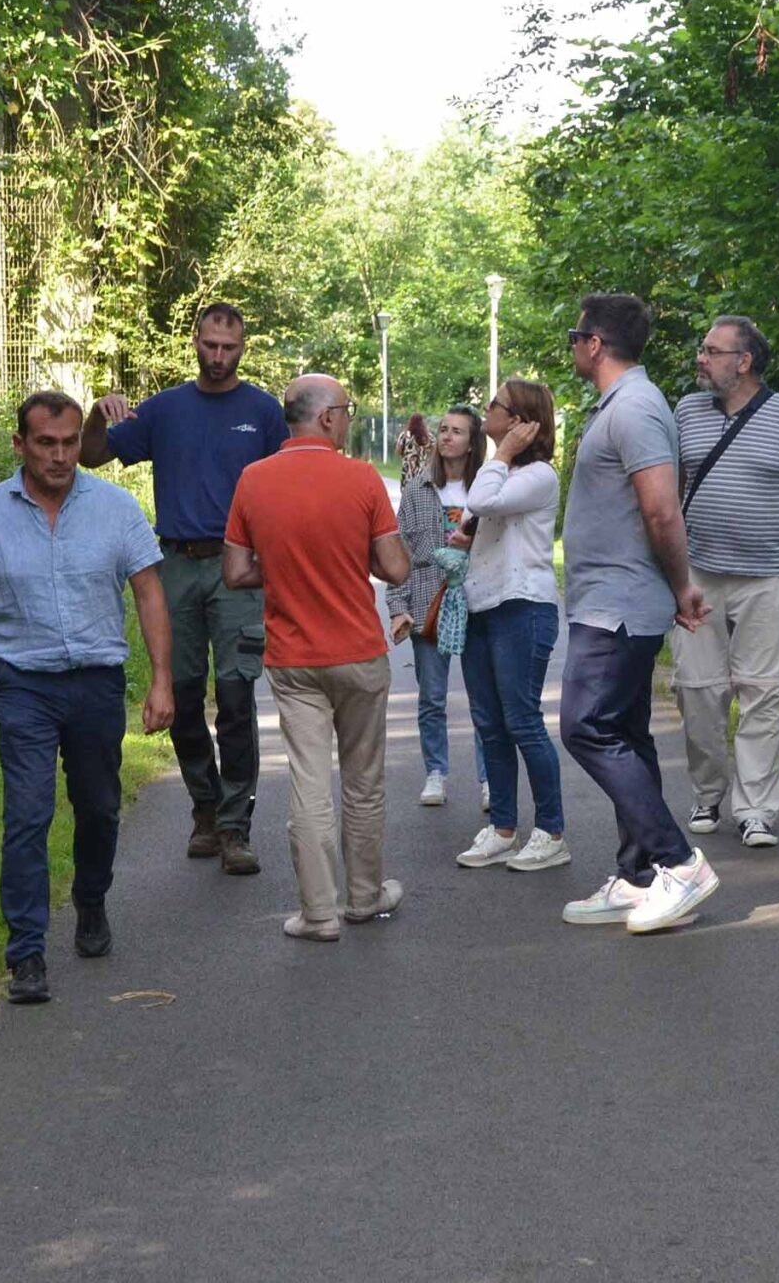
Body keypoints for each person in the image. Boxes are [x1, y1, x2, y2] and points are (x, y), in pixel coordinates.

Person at [0, 391, 175, 1007]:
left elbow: (149, 592)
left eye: (70, 442)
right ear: (20, 445)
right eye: (45, 443)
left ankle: (91, 898)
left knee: (99, 806)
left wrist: (161, 680)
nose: (60, 455)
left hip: (97, 682)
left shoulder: (116, 509)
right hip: (23, 684)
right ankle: (26, 953)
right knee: (27, 814)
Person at [82, 301, 286, 877]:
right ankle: (204, 807)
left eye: (230, 347)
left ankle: (236, 826)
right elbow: (93, 453)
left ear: (243, 347)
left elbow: (286, 485)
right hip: (174, 561)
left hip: (239, 567)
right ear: (194, 342)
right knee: (186, 696)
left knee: (238, 697)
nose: (219, 357)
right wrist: (99, 413)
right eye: (210, 345)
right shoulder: (166, 409)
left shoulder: (263, 412)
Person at [223, 375, 413, 941]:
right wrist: (353, 556)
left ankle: (318, 913)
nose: (349, 420)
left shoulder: (253, 480)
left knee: (308, 782)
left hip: (293, 659)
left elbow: (234, 573)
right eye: (347, 411)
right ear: (328, 418)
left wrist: (281, 568)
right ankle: (364, 896)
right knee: (363, 783)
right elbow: (396, 568)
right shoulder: (361, 479)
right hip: (357, 652)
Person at [554, 292, 720, 934]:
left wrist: (682, 588)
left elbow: (661, 509)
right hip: (608, 600)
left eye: (576, 336)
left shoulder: (639, 408)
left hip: (620, 605)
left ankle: (680, 862)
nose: (572, 347)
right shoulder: (621, 405)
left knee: (585, 727)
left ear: (595, 343)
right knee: (624, 733)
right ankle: (638, 876)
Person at [669, 316, 779, 848]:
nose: (702, 358)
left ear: (744, 362)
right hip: (698, 575)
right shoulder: (687, 411)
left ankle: (757, 809)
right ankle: (707, 793)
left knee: (765, 693)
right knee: (698, 691)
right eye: (703, 349)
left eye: (713, 351)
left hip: (770, 579)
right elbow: (671, 492)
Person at [451, 377, 571, 874]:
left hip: (523, 607)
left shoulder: (539, 474)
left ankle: (551, 831)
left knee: (521, 721)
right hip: (484, 606)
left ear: (521, 422)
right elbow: (480, 515)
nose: (485, 409)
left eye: (495, 405)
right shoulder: (504, 471)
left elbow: (483, 502)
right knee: (489, 724)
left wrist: (501, 456)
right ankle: (502, 828)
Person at [387, 406, 490, 808]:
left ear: (472, 441)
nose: (447, 437)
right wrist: (398, 605)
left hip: (480, 602)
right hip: (429, 601)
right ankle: (436, 773)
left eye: (457, 431)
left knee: (484, 698)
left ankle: (488, 778)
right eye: (443, 430)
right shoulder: (417, 490)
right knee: (432, 697)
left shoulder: (487, 489)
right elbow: (398, 554)